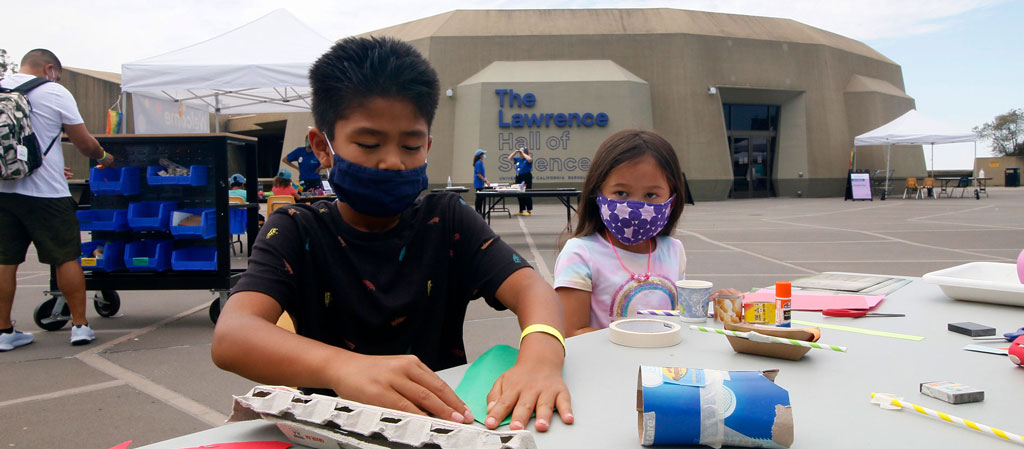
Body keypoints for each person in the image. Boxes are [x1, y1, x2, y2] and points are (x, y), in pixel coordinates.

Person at [211, 36, 572, 433]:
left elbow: (532, 289)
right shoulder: (296, 230)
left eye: (411, 145)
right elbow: (233, 336)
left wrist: (540, 358)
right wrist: (342, 367)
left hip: (444, 426)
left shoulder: (447, 220)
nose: (392, 162)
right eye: (369, 144)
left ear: (428, 145)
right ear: (322, 146)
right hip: (336, 430)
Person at [552, 130, 738, 337]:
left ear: (672, 201)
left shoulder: (673, 250)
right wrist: (642, 340)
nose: (636, 207)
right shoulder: (579, 254)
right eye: (621, 193)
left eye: (651, 195)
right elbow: (571, 332)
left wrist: (709, 305)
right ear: (598, 194)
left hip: (664, 366)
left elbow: (676, 318)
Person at [0, 49, 112, 351]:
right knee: (65, 257)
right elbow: (84, 143)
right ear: (49, 69)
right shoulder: (53, 91)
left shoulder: (1, 85)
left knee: (4, 261)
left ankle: (4, 331)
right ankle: (79, 326)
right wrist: (105, 157)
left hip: (4, 190)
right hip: (47, 193)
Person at [507, 146, 533, 215]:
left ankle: (529, 210)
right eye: (521, 153)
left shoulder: (527, 159)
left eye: (523, 153)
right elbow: (509, 158)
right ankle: (521, 210)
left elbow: (529, 159)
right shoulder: (517, 159)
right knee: (519, 193)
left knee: (527, 192)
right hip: (519, 177)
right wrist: (515, 152)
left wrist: (524, 153)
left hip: (526, 177)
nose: (521, 154)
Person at [472, 149, 489, 215]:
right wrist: (485, 181)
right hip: (478, 183)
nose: (484, 155)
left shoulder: (480, 162)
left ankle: (479, 211)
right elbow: (479, 174)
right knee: (479, 198)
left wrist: (485, 179)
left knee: (481, 198)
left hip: (480, 182)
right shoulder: (478, 163)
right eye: (483, 154)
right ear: (480, 155)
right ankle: (478, 212)